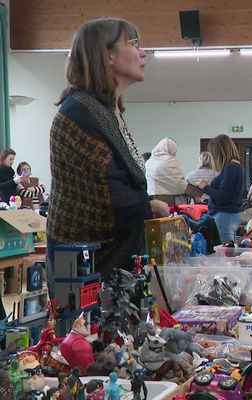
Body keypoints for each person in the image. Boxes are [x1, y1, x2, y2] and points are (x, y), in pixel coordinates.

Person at [46, 18, 165, 289]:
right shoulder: (78, 113)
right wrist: (148, 206)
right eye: (134, 43)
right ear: (107, 55)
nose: (143, 52)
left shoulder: (107, 112)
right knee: (78, 331)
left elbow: (120, 184)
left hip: (108, 259)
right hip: (79, 265)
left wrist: (147, 205)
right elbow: (107, 200)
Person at [197, 134, 243, 243]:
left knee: (225, 255)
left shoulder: (230, 168)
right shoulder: (236, 167)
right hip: (230, 215)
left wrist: (205, 187)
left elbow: (223, 196)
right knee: (228, 252)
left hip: (224, 217)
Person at [145, 137, 188, 206]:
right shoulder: (171, 161)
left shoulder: (149, 162)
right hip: (166, 201)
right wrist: (197, 193)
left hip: (149, 201)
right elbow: (180, 184)